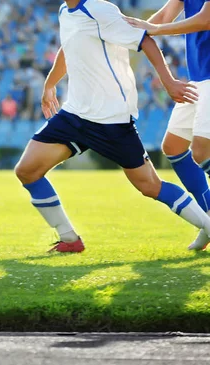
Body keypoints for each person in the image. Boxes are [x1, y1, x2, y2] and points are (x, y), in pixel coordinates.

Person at [14, 0, 208, 253]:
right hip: (75, 114)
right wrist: (50, 83)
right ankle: (70, 239)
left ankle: (207, 225)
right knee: (27, 170)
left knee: (149, 186)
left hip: (111, 119)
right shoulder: (65, 11)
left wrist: (169, 82)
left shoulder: (100, 10)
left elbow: (145, 40)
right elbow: (69, 47)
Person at [124, 0, 210, 250]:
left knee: (201, 151)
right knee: (173, 147)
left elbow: (205, 19)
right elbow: (163, 16)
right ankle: (207, 219)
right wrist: (128, 31)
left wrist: (153, 30)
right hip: (198, 79)